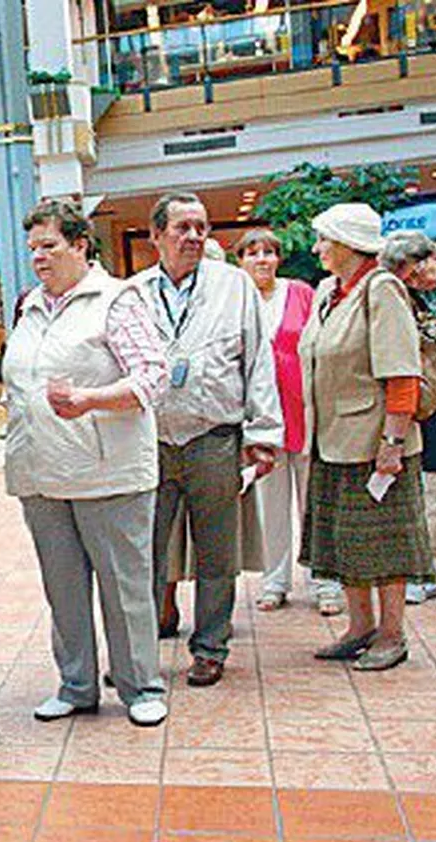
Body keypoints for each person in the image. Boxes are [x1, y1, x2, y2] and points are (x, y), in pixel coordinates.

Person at [3, 200, 171, 726]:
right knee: (64, 587)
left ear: (81, 245)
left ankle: (141, 687)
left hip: (108, 473)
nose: (38, 258)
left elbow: (153, 376)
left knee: (124, 586)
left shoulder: (116, 300)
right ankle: (77, 685)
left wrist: (90, 399)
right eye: (32, 249)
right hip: (41, 472)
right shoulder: (29, 305)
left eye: (49, 246)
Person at [133, 191, 282, 688]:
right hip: (150, 441)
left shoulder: (234, 285)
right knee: (145, 551)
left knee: (218, 552)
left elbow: (257, 361)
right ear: (156, 236)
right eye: (182, 228)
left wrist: (262, 434)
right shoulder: (132, 293)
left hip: (214, 438)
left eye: (201, 227)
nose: (194, 236)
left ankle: (211, 647)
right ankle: (138, 652)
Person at [300, 203, 431, 671]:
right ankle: (359, 628)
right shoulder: (328, 293)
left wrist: (392, 444)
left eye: (323, 240)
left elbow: (402, 374)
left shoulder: (382, 288)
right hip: (332, 440)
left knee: (385, 544)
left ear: (346, 244)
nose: (316, 249)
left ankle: (392, 634)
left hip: (375, 443)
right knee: (345, 543)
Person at [236, 228, 346, 616]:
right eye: (252, 252)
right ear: (241, 261)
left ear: (278, 258)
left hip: (305, 412)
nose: (261, 259)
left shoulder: (301, 292)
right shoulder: (236, 299)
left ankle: (325, 583)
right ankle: (275, 581)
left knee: (313, 503)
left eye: (268, 252)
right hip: (262, 417)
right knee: (271, 505)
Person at [383, 231, 436, 601]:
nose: (413, 281)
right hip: (429, 401)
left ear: (430, 259)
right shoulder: (406, 297)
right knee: (433, 483)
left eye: (414, 271)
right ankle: (426, 567)